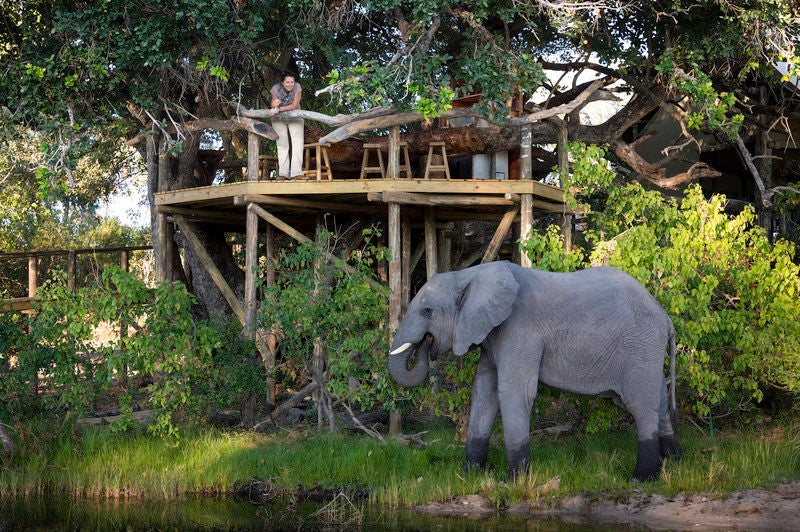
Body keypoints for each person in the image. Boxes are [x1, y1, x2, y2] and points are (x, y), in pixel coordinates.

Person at [268, 71, 304, 179]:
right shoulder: (276, 88)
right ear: (282, 83)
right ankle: (283, 174)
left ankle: (296, 173)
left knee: (298, 144)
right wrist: (275, 105)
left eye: (292, 82)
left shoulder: (297, 87)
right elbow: (273, 103)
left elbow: (294, 105)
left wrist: (279, 109)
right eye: (287, 82)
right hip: (279, 119)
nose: (290, 84)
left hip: (295, 117)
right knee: (282, 145)